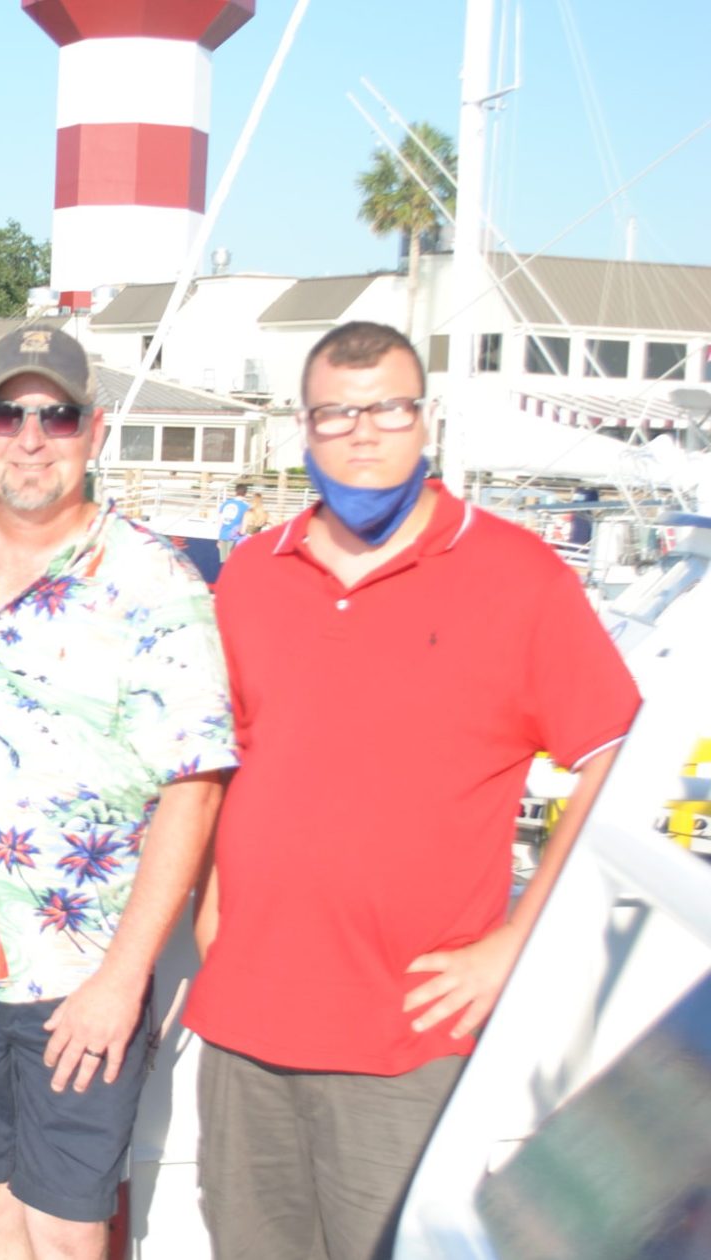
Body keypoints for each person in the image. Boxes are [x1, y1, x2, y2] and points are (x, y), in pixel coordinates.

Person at [184, 321, 641, 1260]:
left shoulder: (517, 574)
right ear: (303, 430)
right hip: (243, 1020)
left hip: (404, 1038)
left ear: (422, 420)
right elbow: (220, 758)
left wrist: (517, 940)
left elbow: (614, 757)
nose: (363, 433)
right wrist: (214, 896)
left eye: (388, 409)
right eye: (337, 413)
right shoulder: (249, 579)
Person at [0, 326, 236, 1260]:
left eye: (56, 414)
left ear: (94, 428)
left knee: (70, 1231)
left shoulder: (156, 580)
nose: (30, 437)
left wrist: (122, 980)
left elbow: (194, 789)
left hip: (77, 977)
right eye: (8, 413)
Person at [216, 484, 249, 560]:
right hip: (236, 538)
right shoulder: (246, 507)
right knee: (234, 563)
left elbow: (220, 522)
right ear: (245, 493)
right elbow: (245, 525)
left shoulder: (225, 503)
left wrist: (219, 538)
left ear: (236, 491)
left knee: (225, 564)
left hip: (223, 536)